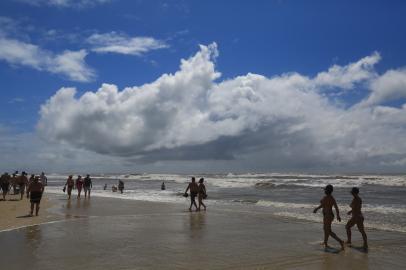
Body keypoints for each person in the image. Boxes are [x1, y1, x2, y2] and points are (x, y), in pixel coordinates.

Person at [313, 184, 345, 250]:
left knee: (328, 231)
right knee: (326, 230)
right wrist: (338, 215)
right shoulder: (332, 198)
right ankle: (325, 242)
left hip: (327, 216)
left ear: (327, 191)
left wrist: (316, 209)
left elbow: (322, 205)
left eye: (325, 190)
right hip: (330, 215)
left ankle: (340, 241)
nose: (324, 191)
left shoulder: (326, 198)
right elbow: (336, 207)